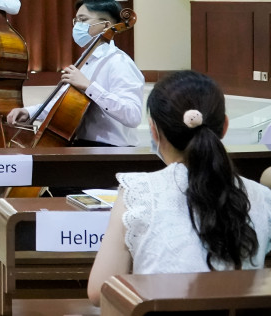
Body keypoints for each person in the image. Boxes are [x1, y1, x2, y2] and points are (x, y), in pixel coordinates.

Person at [87, 70, 271, 305]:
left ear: (154, 131)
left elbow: (99, 291)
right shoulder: (262, 197)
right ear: (224, 126)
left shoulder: (137, 192)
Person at [6, 0, 144, 148]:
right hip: (83, 146)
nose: (78, 26)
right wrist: (29, 112)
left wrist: (89, 87)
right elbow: (64, 108)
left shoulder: (119, 62)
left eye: (83, 20)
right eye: (76, 20)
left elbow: (133, 115)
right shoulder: (85, 61)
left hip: (112, 151)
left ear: (106, 25)